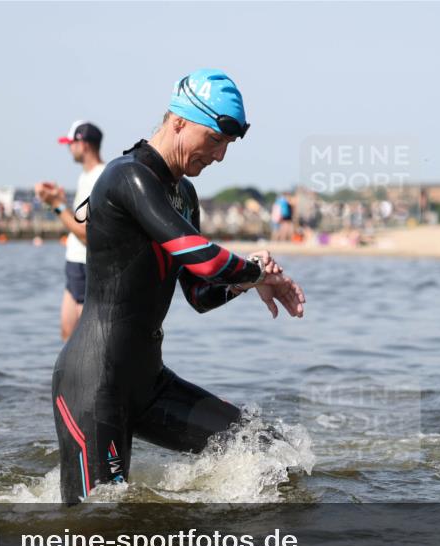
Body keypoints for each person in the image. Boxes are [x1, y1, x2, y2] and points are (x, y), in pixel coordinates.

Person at [51, 69, 306, 504]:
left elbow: (200, 294)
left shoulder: (184, 195)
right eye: (215, 140)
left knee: (272, 452)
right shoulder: (126, 177)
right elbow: (204, 257)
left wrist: (250, 277)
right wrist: (256, 272)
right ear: (179, 122)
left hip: (149, 383)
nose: (220, 156)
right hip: (93, 384)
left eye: (227, 145)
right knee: (99, 524)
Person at [36, 121, 106, 341]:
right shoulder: (85, 176)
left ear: (82, 144)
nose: (69, 149)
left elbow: (87, 234)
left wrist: (57, 205)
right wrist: (60, 200)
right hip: (75, 263)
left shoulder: (99, 177)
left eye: (70, 144)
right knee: (68, 336)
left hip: (87, 264)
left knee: (83, 342)